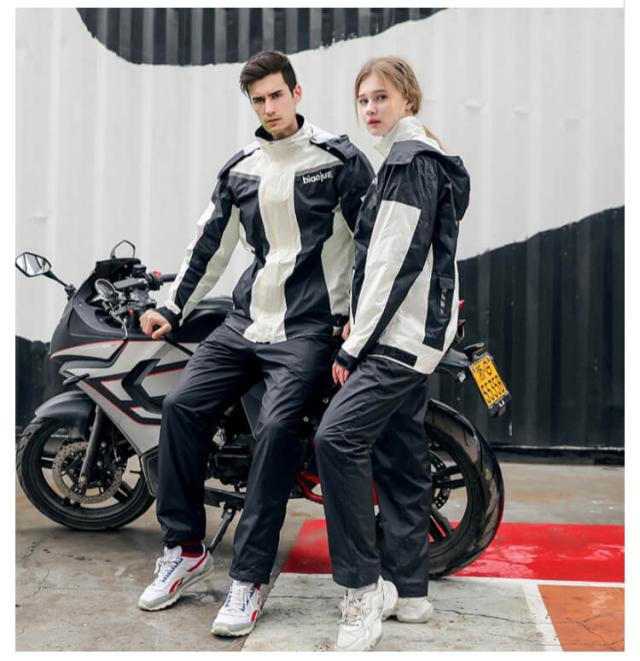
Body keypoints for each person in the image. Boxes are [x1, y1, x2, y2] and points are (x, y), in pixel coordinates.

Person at [136, 50, 374, 638]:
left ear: (297, 93)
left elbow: (373, 244)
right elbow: (209, 246)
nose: (269, 108)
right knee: (180, 408)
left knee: (276, 429)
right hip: (246, 322)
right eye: (258, 100)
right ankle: (184, 550)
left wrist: (359, 317)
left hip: (311, 327)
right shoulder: (241, 168)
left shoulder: (340, 161)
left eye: (276, 95)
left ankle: (248, 578)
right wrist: (172, 308)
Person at [314, 56, 471, 651]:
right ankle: (410, 591)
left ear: (408, 98)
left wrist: (353, 346)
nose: (370, 109)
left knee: (337, 440)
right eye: (363, 100)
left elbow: (392, 262)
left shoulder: (408, 163)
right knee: (401, 457)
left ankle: (362, 589)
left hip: (397, 339)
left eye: (381, 97)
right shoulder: (418, 157)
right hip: (416, 335)